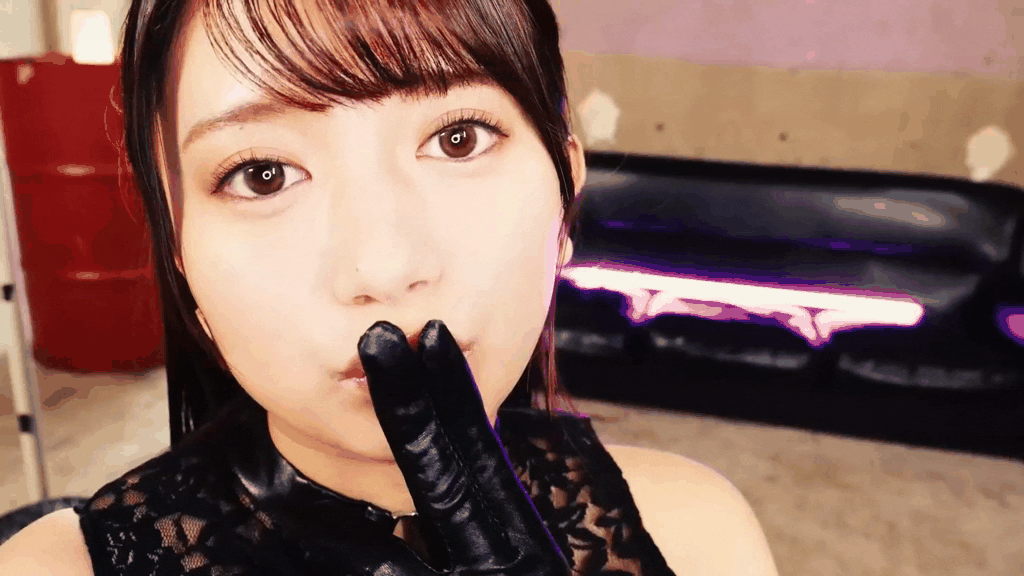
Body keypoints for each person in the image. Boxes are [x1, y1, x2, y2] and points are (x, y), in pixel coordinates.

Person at [0, 0, 779, 574]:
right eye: (262, 174)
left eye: (458, 139)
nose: (382, 266)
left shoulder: (697, 533)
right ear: (180, 256)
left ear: (565, 192)